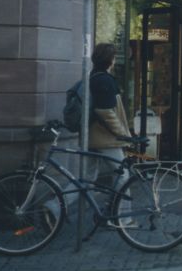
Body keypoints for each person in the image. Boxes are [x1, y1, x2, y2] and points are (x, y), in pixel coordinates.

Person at [47, 43, 135, 226]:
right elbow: (106, 112)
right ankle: (119, 217)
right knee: (123, 176)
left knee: (86, 180)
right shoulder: (105, 80)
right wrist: (123, 134)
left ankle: (54, 207)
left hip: (90, 137)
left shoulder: (90, 77)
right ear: (110, 60)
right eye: (114, 57)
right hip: (106, 139)